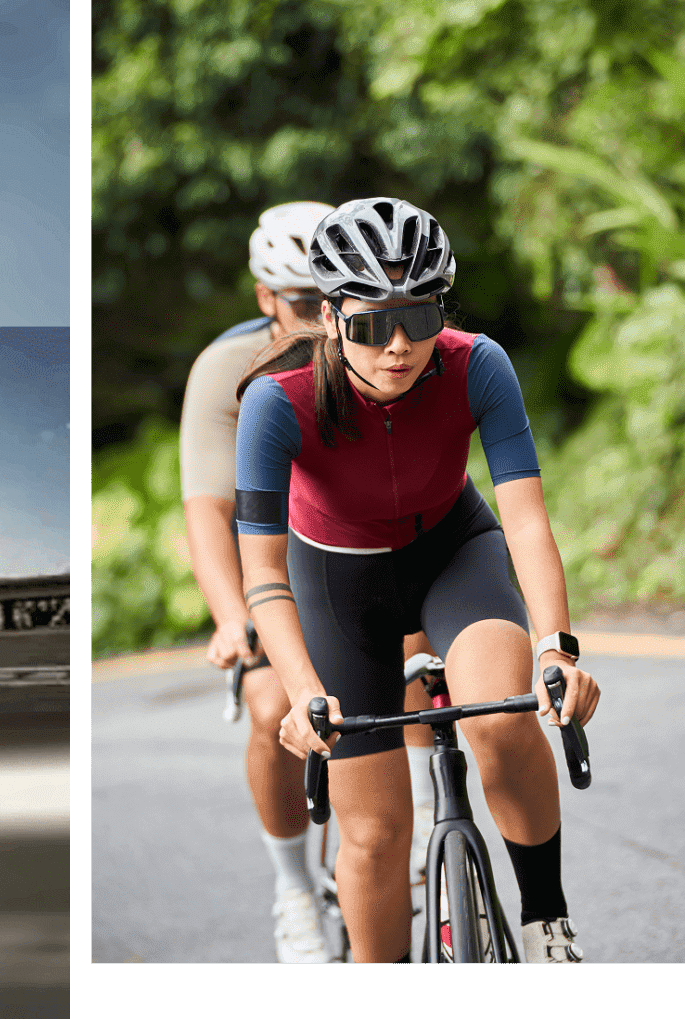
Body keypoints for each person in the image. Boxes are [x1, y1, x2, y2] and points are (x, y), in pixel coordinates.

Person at [233, 197, 600, 963]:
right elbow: (263, 576)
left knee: (499, 721)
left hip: (452, 555)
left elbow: (525, 521)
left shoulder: (477, 363)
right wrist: (303, 693)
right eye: (370, 324)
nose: (398, 346)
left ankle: (545, 926)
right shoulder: (276, 403)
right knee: (371, 834)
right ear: (330, 318)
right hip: (337, 585)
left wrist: (556, 649)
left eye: (421, 317)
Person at [180, 201, 440, 963]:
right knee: (270, 707)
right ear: (265, 299)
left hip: (362, 542)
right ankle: (294, 886)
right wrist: (232, 617)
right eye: (294, 304)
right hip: (276, 554)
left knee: (415, 647)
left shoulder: (379, 344)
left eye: (320, 298)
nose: (307, 321)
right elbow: (207, 506)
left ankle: (420, 817)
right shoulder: (230, 371)